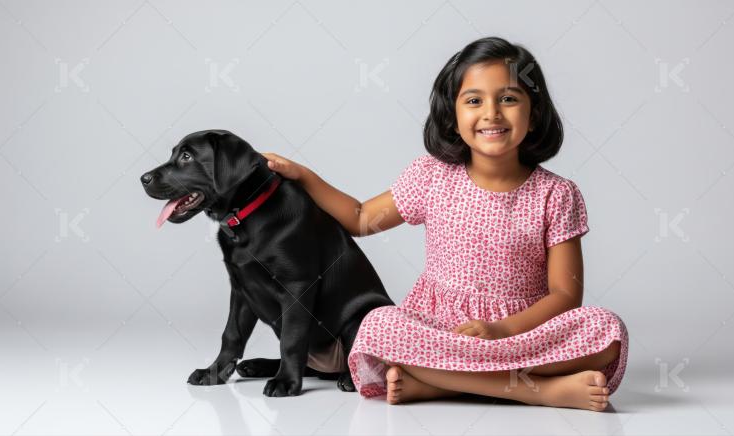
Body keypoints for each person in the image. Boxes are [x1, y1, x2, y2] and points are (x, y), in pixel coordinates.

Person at [260, 36, 628, 412]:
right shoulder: (432, 176)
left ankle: (437, 384)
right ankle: (538, 391)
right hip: (441, 331)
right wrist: (303, 176)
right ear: (453, 117)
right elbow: (360, 218)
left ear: (533, 114)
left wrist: (502, 331)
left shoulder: (556, 194)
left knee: (606, 330)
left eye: (509, 98)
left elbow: (566, 297)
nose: (492, 113)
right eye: (474, 100)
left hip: (522, 332)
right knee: (378, 326)